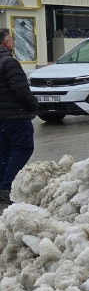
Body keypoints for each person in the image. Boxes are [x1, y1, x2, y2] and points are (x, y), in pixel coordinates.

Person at [0, 28, 37, 205]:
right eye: (11, 39)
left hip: (2, 118)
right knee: (23, 148)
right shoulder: (9, 62)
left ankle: (2, 186)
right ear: (6, 42)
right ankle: (8, 187)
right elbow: (21, 90)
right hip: (15, 116)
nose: (13, 41)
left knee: (5, 151)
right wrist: (35, 105)